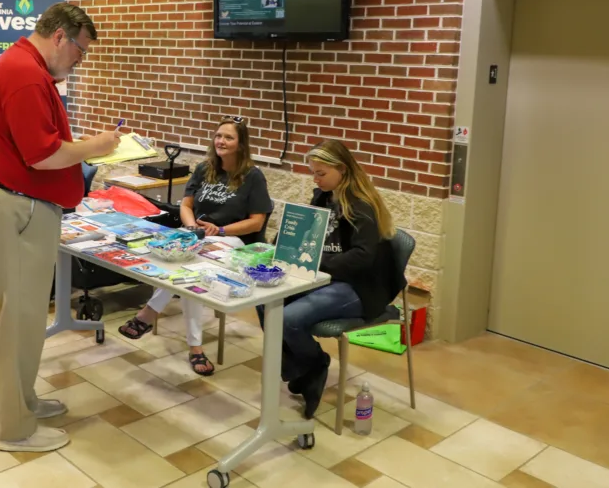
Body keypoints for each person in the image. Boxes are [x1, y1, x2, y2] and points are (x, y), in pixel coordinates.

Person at [0, 2, 121, 453]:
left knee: (29, 314)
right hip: (16, 206)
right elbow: (42, 155)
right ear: (60, 37)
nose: (80, 60)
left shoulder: (27, 67)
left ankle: (24, 400)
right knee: (17, 317)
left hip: (23, 206)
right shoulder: (25, 73)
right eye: (80, 51)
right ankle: (13, 429)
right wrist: (98, 146)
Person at [118, 117, 273, 375]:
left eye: (229, 137)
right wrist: (192, 229)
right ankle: (194, 347)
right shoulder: (204, 168)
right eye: (219, 136)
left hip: (232, 239)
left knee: (191, 266)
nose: (221, 141)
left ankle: (150, 315)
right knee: (177, 260)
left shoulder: (253, 177)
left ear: (241, 144)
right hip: (199, 234)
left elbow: (256, 223)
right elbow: (186, 205)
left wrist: (219, 230)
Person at [259, 139, 401, 419]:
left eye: (321, 173)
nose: (315, 178)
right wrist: (286, 242)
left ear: (343, 170)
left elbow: (363, 257)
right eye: (313, 172)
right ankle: (302, 366)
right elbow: (308, 232)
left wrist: (318, 264)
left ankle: (313, 366)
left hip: (359, 287)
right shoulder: (324, 196)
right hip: (326, 278)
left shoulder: (361, 206)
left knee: (288, 318)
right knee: (265, 299)